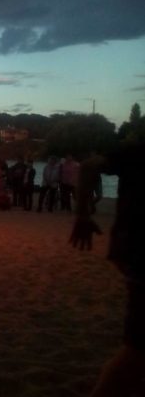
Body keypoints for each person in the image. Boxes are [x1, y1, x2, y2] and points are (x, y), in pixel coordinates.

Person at [69, 141, 145, 396]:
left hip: (131, 248)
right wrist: (81, 215)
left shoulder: (136, 149)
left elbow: (90, 166)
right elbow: (89, 166)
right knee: (138, 352)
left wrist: (82, 215)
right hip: (139, 251)